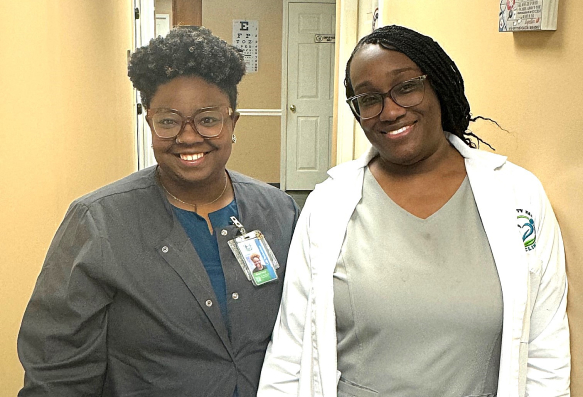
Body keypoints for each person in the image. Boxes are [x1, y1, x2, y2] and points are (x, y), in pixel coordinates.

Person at [258, 25, 569, 396]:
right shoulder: (329, 204)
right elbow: (292, 347)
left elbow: (545, 345)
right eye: (369, 99)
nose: (389, 111)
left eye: (406, 87)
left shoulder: (518, 195)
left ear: (437, 86)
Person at [18, 27, 299, 396]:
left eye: (208, 119)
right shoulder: (98, 221)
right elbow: (57, 368)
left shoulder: (279, 211)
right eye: (168, 121)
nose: (187, 136)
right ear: (149, 122)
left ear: (233, 124)